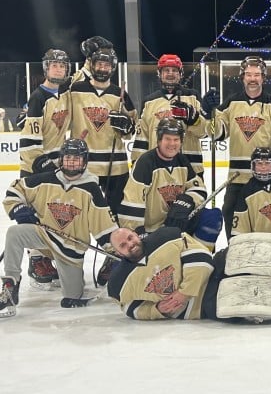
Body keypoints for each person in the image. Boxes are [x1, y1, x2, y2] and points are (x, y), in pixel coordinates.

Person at [0, 139, 118, 318]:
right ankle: (10, 287)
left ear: (85, 161)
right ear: (61, 159)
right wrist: (19, 209)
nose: (72, 162)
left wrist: (117, 254)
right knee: (14, 233)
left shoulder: (91, 190)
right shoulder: (45, 180)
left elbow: (104, 227)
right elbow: (15, 190)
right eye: (68, 157)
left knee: (71, 298)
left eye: (77, 158)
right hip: (44, 236)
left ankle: (69, 279)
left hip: (70, 249)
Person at [106, 227, 271, 323]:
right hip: (204, 306)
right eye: (123, 246)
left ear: (135, 234)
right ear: (116, 253)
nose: (130, 244)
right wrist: (157, 311)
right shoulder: (120, 283)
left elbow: (201, 259)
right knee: (253, 301)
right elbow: (132, 309)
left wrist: (183, 293)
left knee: (246, 251)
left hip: (214, 269)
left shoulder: (165, 237)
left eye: (130, 238)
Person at [209, 56, 271, 239]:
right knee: (230, 214)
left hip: (265, 177)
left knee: (262, 220)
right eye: (248, 74)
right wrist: (209, 113)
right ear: (242, 77)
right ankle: (235, 256)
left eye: (257, 74)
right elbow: (216, 133)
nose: (252, 78)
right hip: (237, 177)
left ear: (263, 78)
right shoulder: (231, 103)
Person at [118, 118, 220, 254]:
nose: (172, 144)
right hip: (153, 231)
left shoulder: (182, 161)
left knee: (212, 217)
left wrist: (186, 201)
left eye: (176, 139)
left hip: (178, 225)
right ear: (159, 140)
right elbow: (132, 203)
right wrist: (138, 234)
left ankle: (199, 254)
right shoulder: (146, 163)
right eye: (168, 139)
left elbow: (199, 189)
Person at [18, 48, 72, 286]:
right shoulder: (38, 97)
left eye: (62, 66)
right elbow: (29, 140)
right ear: (46, 69)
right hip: (35, 167)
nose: (58, 69)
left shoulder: (65, 94)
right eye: (54, 66)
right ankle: (36, 261)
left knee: (52, 215)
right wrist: (42, 164)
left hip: (54, 165)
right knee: (37, 216)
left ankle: (48, 258)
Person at [66, 41, 136, 217]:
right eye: (99, 64)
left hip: (117, 167)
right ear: (92, 65)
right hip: (85, 165)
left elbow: (131, 131)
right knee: (81, 215)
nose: (103, 69)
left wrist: (128, 126)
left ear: (112, 68)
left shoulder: (120, 94)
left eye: (107, 65)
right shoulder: (75, 90)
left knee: (115, 216)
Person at [131, 53, 218, 177]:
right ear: (159, 74)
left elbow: (205, 133)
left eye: (174, 70)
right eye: (166, 70)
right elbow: (142, 139)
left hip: (190, 167)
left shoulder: (193, 97)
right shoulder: (149, 102)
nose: (170, 73)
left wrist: (194, 120)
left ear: (180, 74)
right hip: (157, 169)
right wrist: (137, 165)